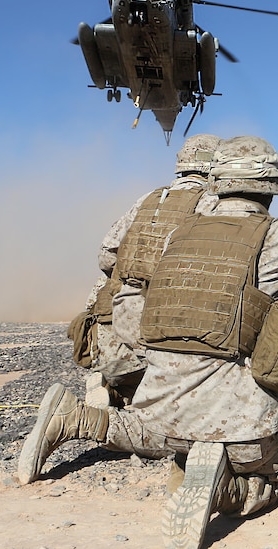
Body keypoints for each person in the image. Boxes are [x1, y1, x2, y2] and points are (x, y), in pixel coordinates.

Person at [19, 135, 278, 548]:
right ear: (272, 186)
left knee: (146, 431)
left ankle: (78, 419)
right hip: (241, 427)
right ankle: (227, 489)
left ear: (218, 181)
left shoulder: (176, 237)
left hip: (159, 416)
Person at [69, 134, 220, 408]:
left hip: (110, 343)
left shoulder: (149, 199)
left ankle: (111, 385)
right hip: (163, 346)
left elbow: (106, 256)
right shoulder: (213, 205)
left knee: (111, 280)